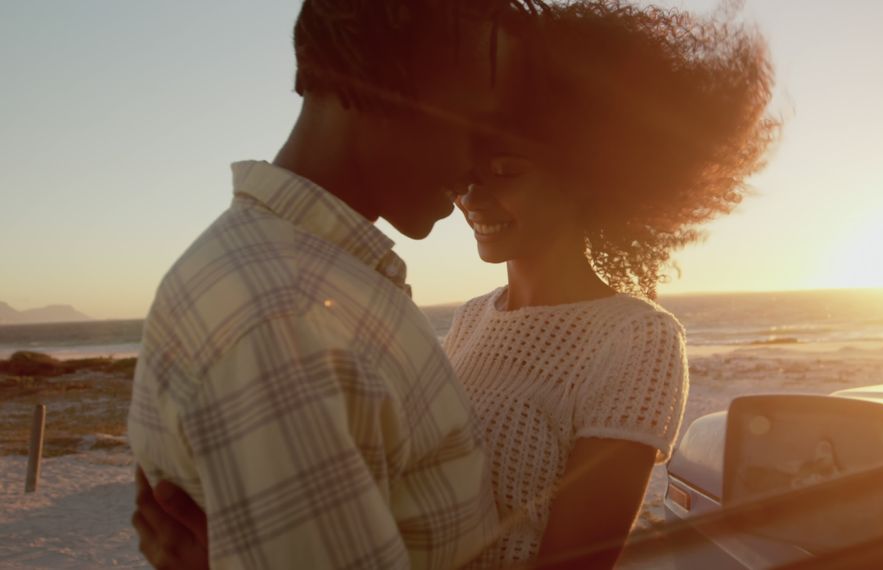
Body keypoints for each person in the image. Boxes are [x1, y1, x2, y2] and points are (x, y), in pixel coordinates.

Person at [134, 1, 776, 568]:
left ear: (590, 178)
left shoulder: (635, 338)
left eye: (504, 167)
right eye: (474, 145)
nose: (472, 186)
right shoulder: (453, 317)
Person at [127, 1, 544, 568]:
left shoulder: (308, 279)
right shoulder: (288, 320)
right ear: (365, 80)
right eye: (472, 120)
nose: (478, 165)